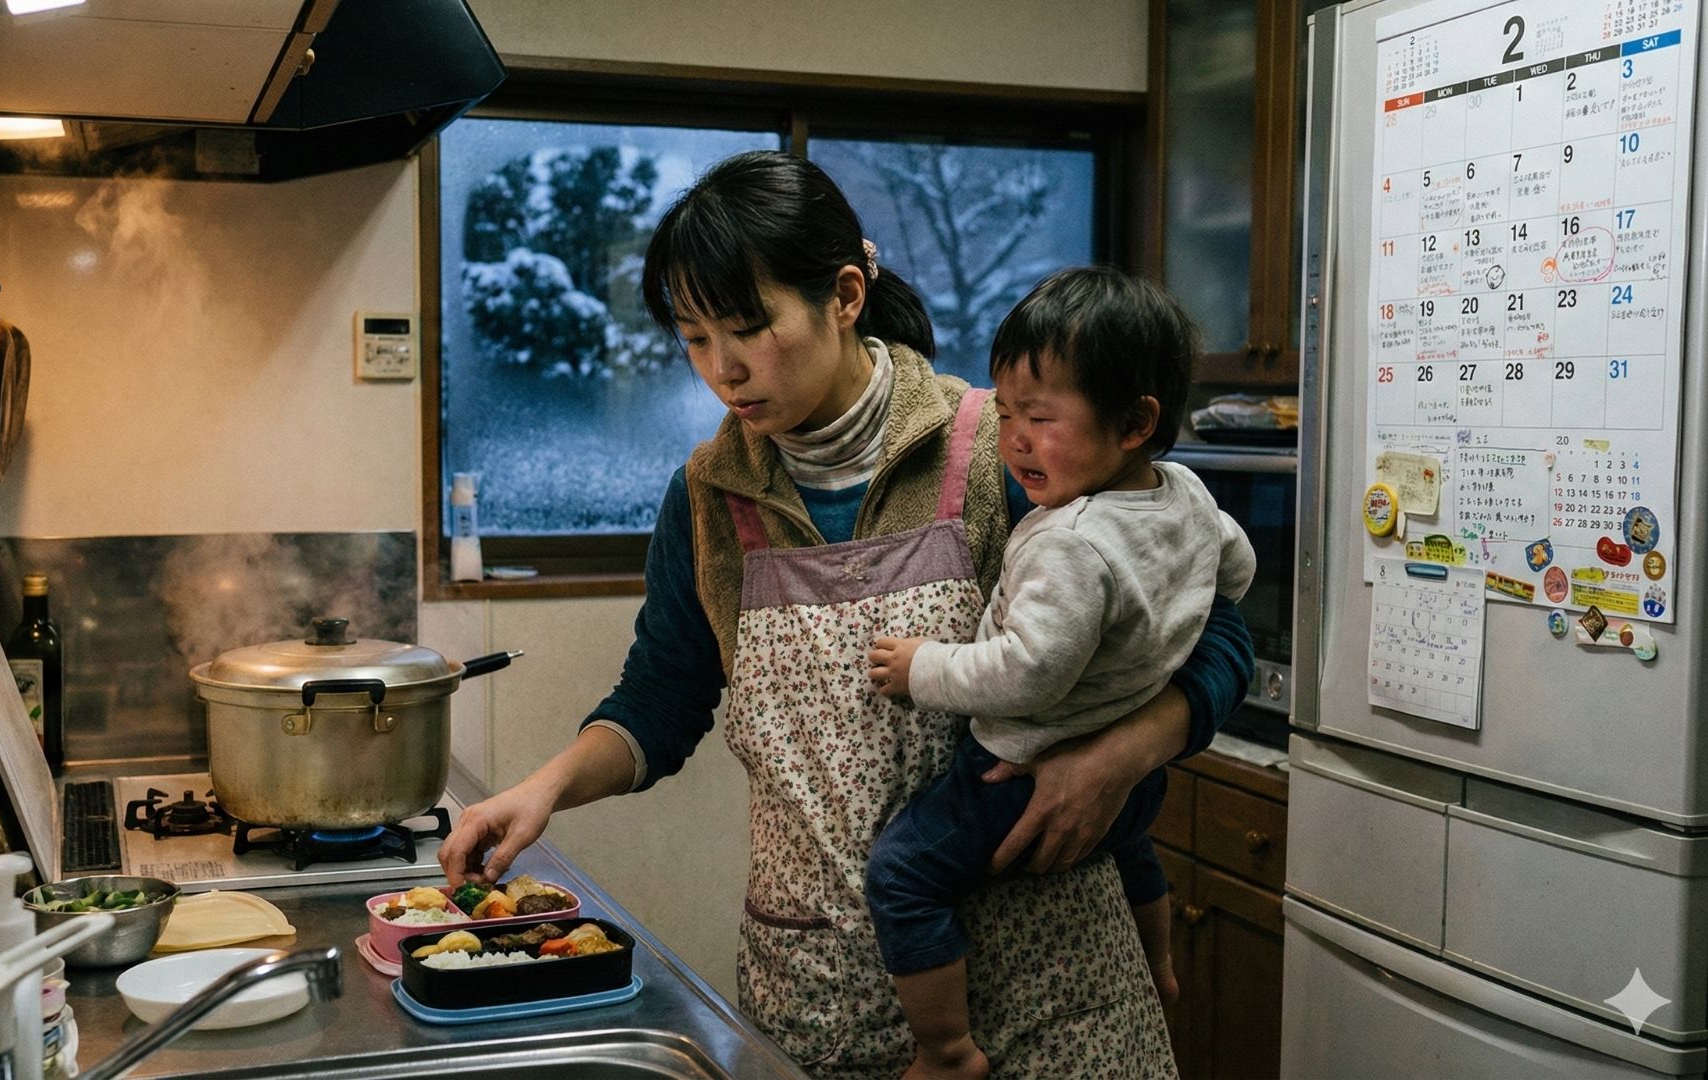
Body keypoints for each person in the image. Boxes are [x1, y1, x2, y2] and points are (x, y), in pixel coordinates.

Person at [438, 150, 1254, 1079]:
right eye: (695, 337)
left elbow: (1211, 624)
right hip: (820, 996)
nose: (724, 370)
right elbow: (661, 701)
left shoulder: (1008, 449)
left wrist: (1123, 756)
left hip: (1050, 988)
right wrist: (539, 790)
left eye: (749, 327)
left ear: (847, 295)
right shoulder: (708, 497)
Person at [864, 267, 1256, 1079]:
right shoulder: (1182, 490)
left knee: (903, 873)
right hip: (1131, 789)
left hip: (1016, 771)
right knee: (1133, 847)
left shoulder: (1070, 537)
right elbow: (1236, 569)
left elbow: (1029, 673)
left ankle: (943, 1052)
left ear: (1136, 421)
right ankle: (1160, 967)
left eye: (1039, 418)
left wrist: (923, 667)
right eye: (1006, 413)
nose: (1013, 439)